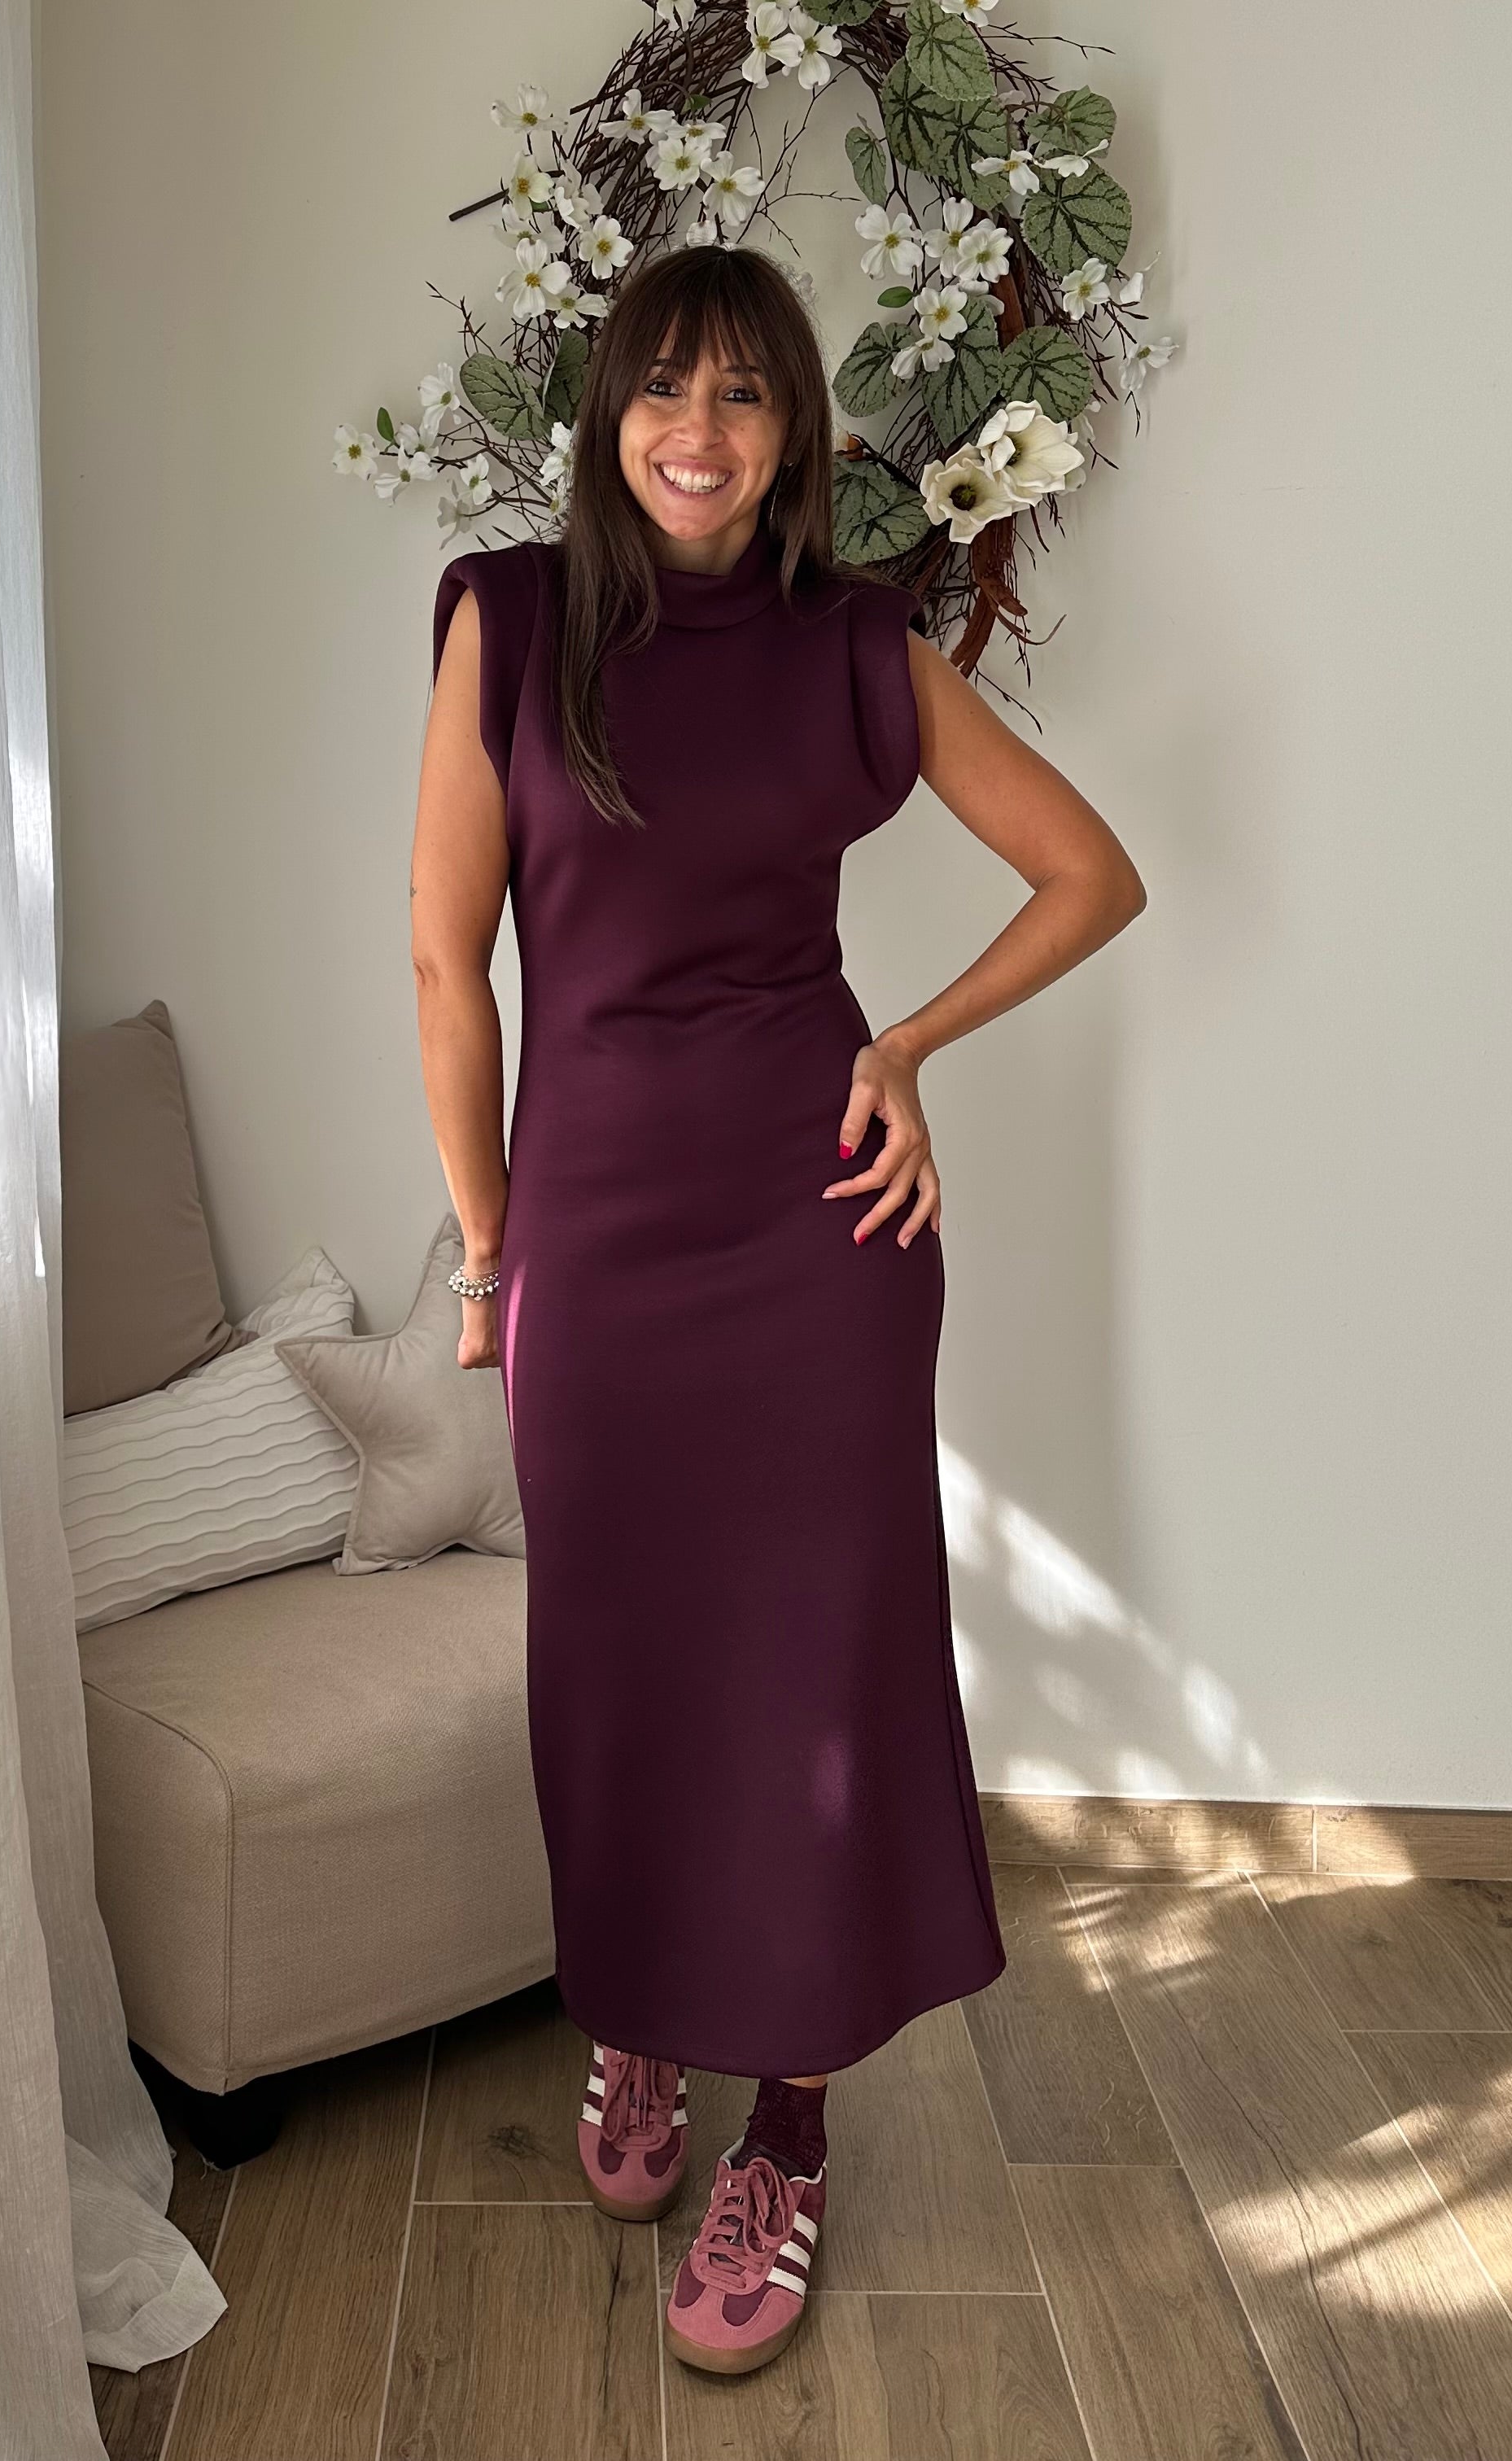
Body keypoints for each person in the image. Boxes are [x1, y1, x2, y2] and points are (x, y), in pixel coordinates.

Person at [408, 243, 1145, 2379]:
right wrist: (492, 1250)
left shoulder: (855, 644)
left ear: (794, 431)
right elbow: (450, 963)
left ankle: (790, 2128)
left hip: (820, 1236)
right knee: (620, 1663)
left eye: (743, 394)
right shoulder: (505, 623)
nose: (700, 432)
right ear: (609, 417)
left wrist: (904, 1045)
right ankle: (644, 2015)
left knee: (816, 1681)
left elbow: (1091, 874)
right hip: (598, 1239)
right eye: (664, 387)